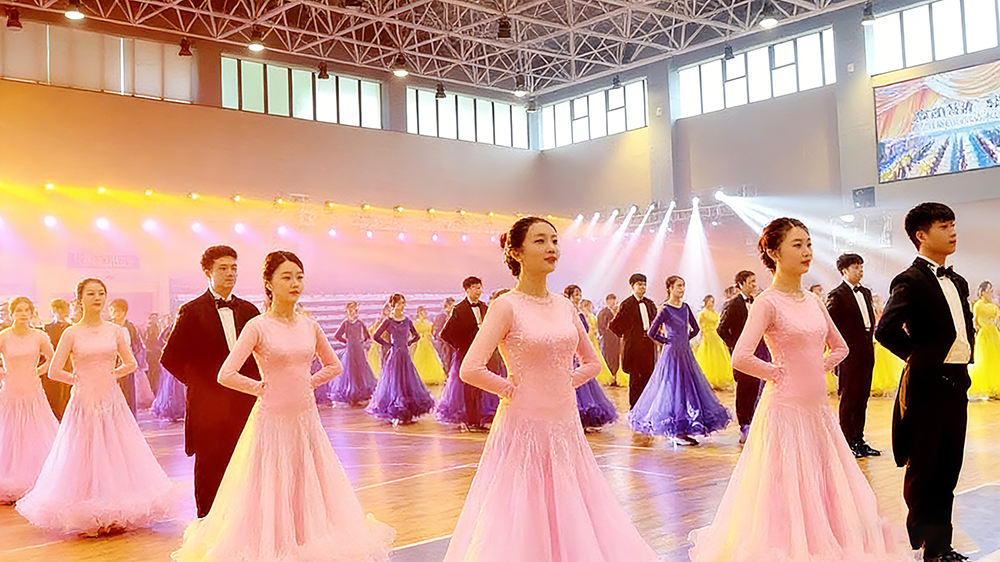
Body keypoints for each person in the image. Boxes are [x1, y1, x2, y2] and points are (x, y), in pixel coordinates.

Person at [689, 218, 909, 562]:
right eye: (797, 245)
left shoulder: (814, 301)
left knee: (825, 485)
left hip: (818, 410)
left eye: (808, 244)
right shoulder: (767, 302)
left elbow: (841, 347)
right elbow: (741, 356)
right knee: (787, 487)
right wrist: (779, 373)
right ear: (774, 252)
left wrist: (817, 368)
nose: (807, 251)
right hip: (785, 409)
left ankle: (827, 543)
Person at [443, 217, 659, 562]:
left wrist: (564, 382)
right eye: (540, 241)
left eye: (555, 241)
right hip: (523, 423)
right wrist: (511, 389)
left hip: (565, 422)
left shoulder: (564, 305)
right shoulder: (505, 306)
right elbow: (471, 368)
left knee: (572, 506)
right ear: (516, 252)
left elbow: (592, 362)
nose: (551, 248)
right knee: (524, 511)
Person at [172, 251, 394, 562]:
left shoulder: (310, 325)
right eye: (287, 277)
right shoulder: (257, 326)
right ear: (269, 283)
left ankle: (306, 539)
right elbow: (226, 374)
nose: (295, 283)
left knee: (307, 482)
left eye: (299, 277)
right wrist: (258, 387)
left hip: (306, 420)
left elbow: (334, 365)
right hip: (271, 419)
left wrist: (309, 382)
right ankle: (273, 545)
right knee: (271, 484)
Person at [17, 278, 175, 535]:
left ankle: (116, 507)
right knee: (85, 450)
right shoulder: (71, 333)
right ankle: (86, 506)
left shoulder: (114, 330)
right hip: (83, 400)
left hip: (111, 399)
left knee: (114, 448)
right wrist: (78, 379)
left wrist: (112, 374)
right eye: (91, 294)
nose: (97, 298)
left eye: (101, 293)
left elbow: (131, 363)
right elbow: (54, 371)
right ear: (80, 299)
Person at [875, 203, 974, 562]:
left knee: (949, 468)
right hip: (927, 385)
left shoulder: (958, 281)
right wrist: (920, 358)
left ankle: (941, 544)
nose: (952, 231)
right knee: (925, 469)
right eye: (944, 226)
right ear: (921, 235)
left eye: (953, 224)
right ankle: (929, 546)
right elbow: (885, 330)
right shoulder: (911, 280)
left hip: (957, 382)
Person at [160, 245, 261, 518]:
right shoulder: (192, 311)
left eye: (234, 268)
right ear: (208, 272)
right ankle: (207, 522)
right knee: (210, 466)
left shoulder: (249, 310)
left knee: (247, 461)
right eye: (223, 268)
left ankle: (246, 521)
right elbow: (170, 358)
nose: (230, 273)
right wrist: (200, 385)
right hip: (208, 406)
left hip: (245, 402)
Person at [630, 277, 730, 445]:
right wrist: (668, 341)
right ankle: (676, 430)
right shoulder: (665, 309)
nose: (682, 289)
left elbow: (695, 328)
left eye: (683, 286)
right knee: (673, 389)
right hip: (671, 354)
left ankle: (683, 429)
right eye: (678, 286)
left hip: (685, 353)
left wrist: (684, 339)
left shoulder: (685, 307)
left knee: (688, 389)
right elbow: (652, 332)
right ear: (670, 288)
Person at [0, 297, 57, 503]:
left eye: (27, 310)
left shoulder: (39, 336)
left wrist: (37, 371)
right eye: (19, 310)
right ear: (12, 313)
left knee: (36, 430)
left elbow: (53, 359)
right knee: (9, 431)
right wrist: (3, 372)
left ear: (32, 313)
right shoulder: (4, 336)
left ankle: (41, 477)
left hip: (33, 389)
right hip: (11, 390)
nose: (23, 314)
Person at [826, 253, 880, 458]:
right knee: (849, 398)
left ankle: (859, 439)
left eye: (861, 266)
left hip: (866, 350)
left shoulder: (865, 292)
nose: (860, 270)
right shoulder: (837, 295)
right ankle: (847, 441)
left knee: (862, 397)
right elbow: (830, 328)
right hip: (848, 354)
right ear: (844, 271)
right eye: (856, 267)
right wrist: (836, 353)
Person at [718, 269, 771, 444]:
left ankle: (755, 423)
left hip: (759, 352)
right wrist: (736, 345)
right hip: (743, 355)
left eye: (755, 281)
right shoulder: (733, 304)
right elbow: (721, 329)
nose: (754, 285)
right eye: (751, 282)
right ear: (740, 285)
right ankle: (744, 425)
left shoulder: (757, 302)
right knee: (744, 390)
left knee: (756, 387)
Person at [367, 294, 435, 424]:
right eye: (400, 303)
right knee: (396, 382)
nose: (403, 305)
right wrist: (388, 345)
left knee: (407, 382)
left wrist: (408, 344)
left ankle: (408, 411)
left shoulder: (407, 320)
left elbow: (416, 336)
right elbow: (376, 336)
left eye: (403, 303)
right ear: (394, 305)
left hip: (405, 354)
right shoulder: (388, 321)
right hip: (394, 355)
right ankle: (397, 411)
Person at [438, 277, 492, 430]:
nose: (479, 291)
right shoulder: (459, 309)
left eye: (480, 287)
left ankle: (477, 420)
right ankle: (471, 421)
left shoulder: (484, 307)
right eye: (475, 287)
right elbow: (445, 334)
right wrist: (460, 347)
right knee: (469, 388)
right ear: (467, 290)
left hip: (482, 354)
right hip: (466, 353)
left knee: (479, 387)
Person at [565, 286, 617, 430]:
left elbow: (586, 330)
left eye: (579, 294)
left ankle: (586, 419)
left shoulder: (581, 314)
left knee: (586, 380)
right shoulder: (565, 313)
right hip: (570, 350)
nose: (578, 297)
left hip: (581, 349)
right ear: (568, 296)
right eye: (575, 294)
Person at [609, 273, 658, 408]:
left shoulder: (650, 304)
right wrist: (629, 332)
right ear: (632, 286)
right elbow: (614, 326)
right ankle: (635, 407)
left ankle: (647, 406)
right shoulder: (626, 304)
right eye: (639, 284)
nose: (642, 287)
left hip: (648, 345)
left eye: (644, 284)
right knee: (635, 379)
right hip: (634, 346)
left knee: (648, 376)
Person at [329, 301, 378, 406]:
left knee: (360, 370)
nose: (352, 313)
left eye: (354, 310)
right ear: (347, 311)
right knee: (351, 371)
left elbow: (367, 336)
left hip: (358, 350)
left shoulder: (360, 323)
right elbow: (337, 335)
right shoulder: (346, 323)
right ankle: (351, 393)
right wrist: (347, 342)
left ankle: (360, 393)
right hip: (350, 350)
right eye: (350, 310)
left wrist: (361, 342)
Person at [41, 298, 73, 420]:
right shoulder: (45, 328)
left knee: (63, 397)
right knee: (53, 396)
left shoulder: (70, 328)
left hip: (64, 366)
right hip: (51, 366)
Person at [968, 281, 1000, 398]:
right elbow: (976, 320)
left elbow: (996, 315)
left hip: (993, 334)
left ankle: (995, 386)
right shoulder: (979, 305)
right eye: (988, 290)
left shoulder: (991, 305)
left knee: (995, 360)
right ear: (982, 292)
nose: (990, 292)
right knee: (985, 360)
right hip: (984, 335)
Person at [694, 294, 733, 390]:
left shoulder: (715, 313)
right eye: (709, 301)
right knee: (708, 356)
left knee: (719, 356)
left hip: (716, 336)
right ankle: (709, 380)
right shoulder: (703, 313)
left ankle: (720, 380)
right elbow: (700, 326)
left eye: (712, 302)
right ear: (706, 302)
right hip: (708, 336)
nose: (711, 303)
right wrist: (704, 334)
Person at [581, 299, 616, 385]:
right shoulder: (587, 316)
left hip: (592, 338)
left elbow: (595, 328)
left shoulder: (590, 316)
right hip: (589, 338)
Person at [412, 305, 448, 385]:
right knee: (420, 359)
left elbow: (431, 332)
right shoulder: (416, 323)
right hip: (420, 342)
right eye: (421, 312)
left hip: (428, 342)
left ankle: (433, 377)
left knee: (431, 358)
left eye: (424, 312)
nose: (423, 313)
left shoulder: (429, 322)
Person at [597, 293, 624, 386]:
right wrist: (607, 334)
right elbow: (601, 326)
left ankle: (616, 377)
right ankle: (611, 377)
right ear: (608, 301)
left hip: (617, 339)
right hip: (608, 340)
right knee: (608, 357)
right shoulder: (603, 313)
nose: (613, 303)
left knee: (616, 358)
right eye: (612, 301)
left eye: (614, 301)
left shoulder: (617, 312)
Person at [433, 297, 456, 370]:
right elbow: (438, 330)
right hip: (444, 341)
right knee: (446, 358)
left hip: (451, 341)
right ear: (448, 305)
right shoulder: (442, 316)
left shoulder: (450, 315)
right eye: (452, 305)